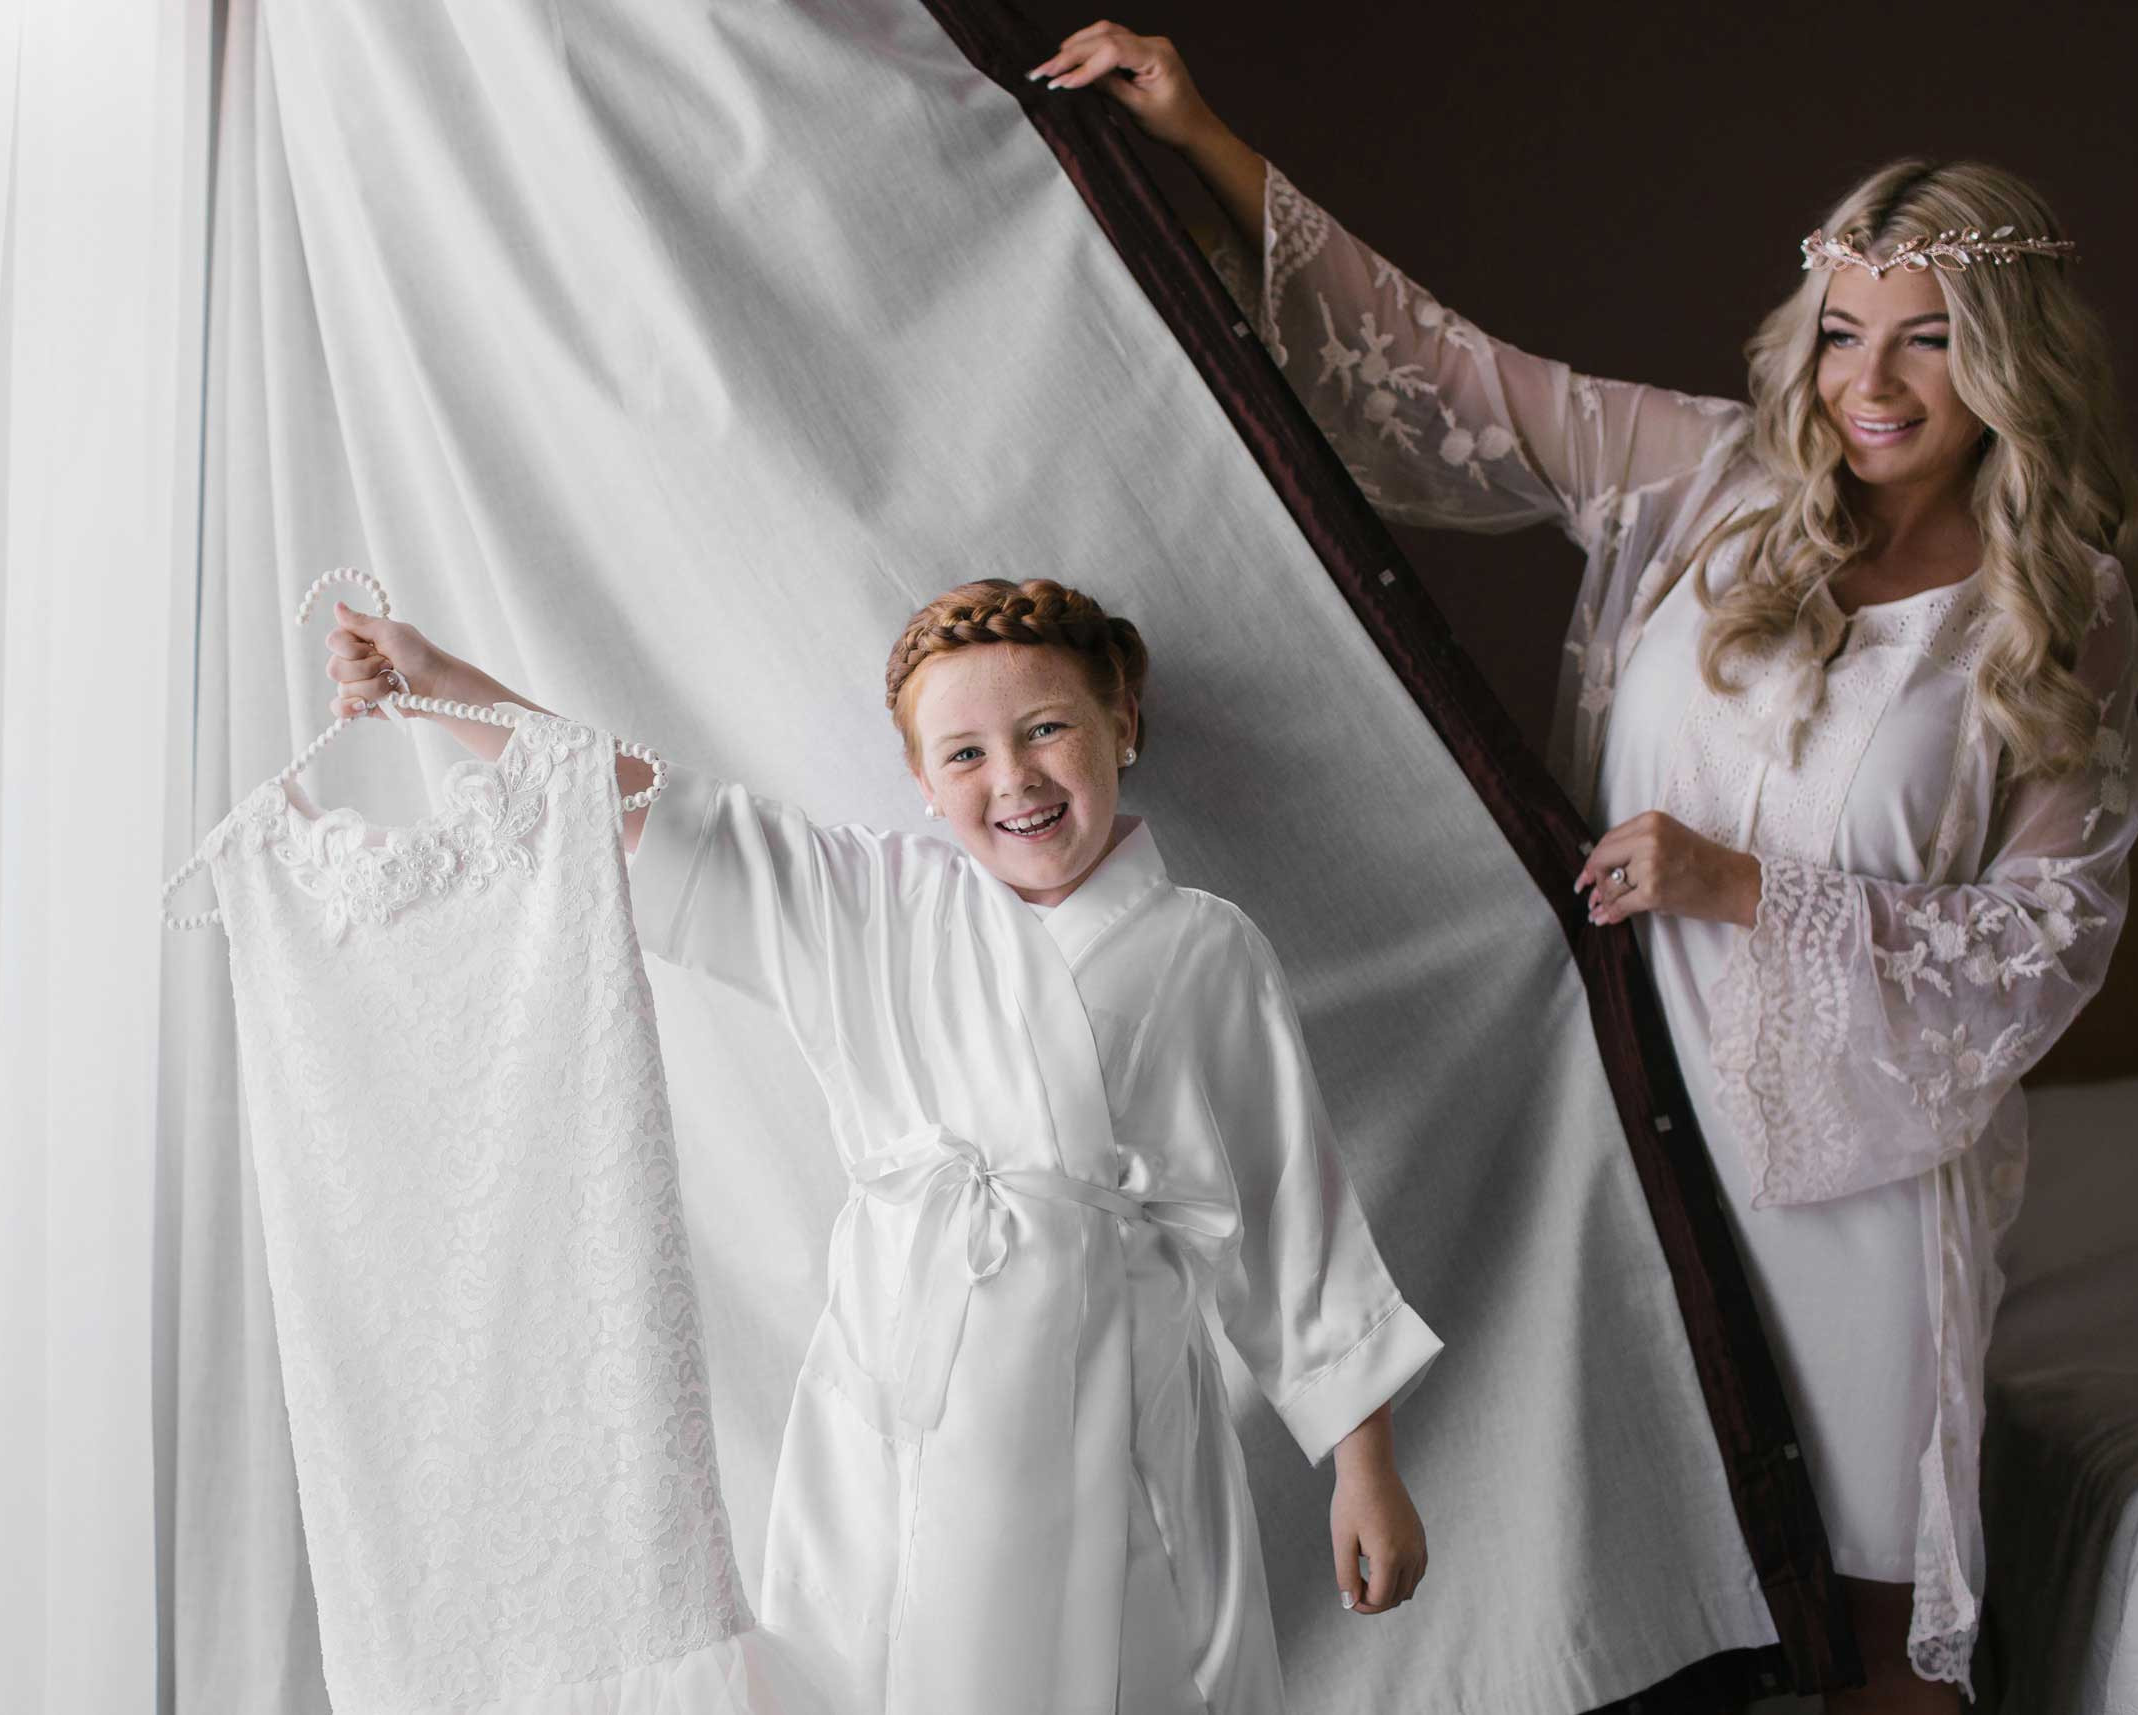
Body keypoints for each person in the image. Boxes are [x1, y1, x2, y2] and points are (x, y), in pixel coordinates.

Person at [1029, 21, 2138, 1711]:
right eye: (1845, 332)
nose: (1871, 382)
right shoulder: (1706, 480)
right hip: (1627, 1124)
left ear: (2012, 364)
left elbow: (2052, 933)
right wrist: (1199, 134)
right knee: (1653, 1608)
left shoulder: (2055, 612)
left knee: (1873, 1645)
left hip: (1858, 1176)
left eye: (1929, 344)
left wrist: (1748, 893)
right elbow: (1432, 372)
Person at [314, 577, 1446, 1713]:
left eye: (1047, 727)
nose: (1013, 777)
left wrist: (1365, 1465)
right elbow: (656, 806)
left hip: (1121, 1400)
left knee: (1125, 1662)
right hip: (902, 1389)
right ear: (920, 781)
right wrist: (438, 684)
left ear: (1123, 724)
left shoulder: (1206, 947)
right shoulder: (871, 904)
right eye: (963, 753)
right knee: (883, 1648)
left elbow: (1292, 1203)